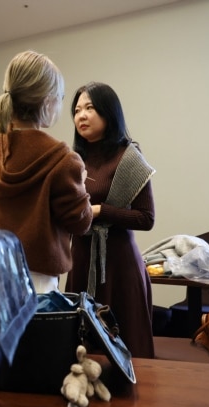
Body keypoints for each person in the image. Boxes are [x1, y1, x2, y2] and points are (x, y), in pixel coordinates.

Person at [0, 51, 93, 294]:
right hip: (38, 281)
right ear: (49, 100)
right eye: (61, 98)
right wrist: (82, 186)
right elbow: (81, 222)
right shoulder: (64, 159)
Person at [65, 82, 156, 358]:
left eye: (90, 108)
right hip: (80, 259)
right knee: (81, 349)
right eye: (77, 110)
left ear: (109, 112)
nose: (81, 115)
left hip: (120, 265)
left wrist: (100, 211)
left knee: (127, 348)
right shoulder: (72, 160)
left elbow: (146, 218)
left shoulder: (129, 157)